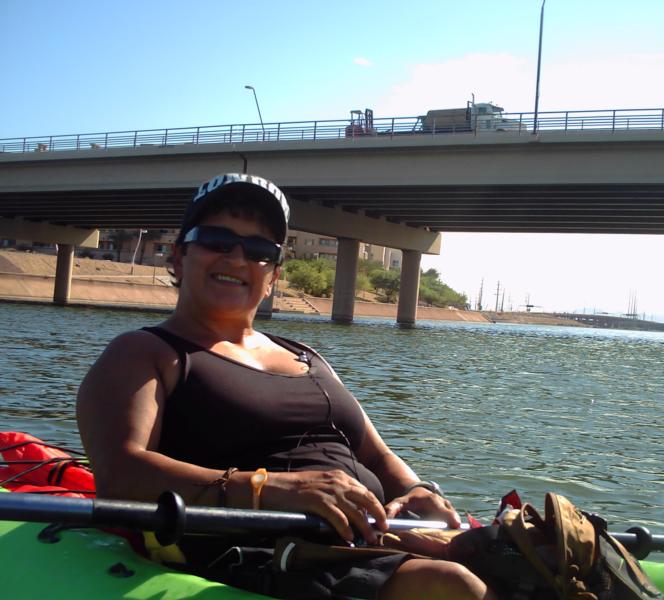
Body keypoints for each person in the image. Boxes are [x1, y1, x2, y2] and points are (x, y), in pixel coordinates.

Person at [76, 173, 495, 600]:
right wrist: (268, 486)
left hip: (372, 539)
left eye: (259, 250)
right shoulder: (145, 352)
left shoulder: (306, 354)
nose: (238, 258)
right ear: (179, 258)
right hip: (268, 552)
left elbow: (377, 453)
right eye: (217, 241)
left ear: (273, 275)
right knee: (454, 586)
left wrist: (416, 490)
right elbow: (120, 472)